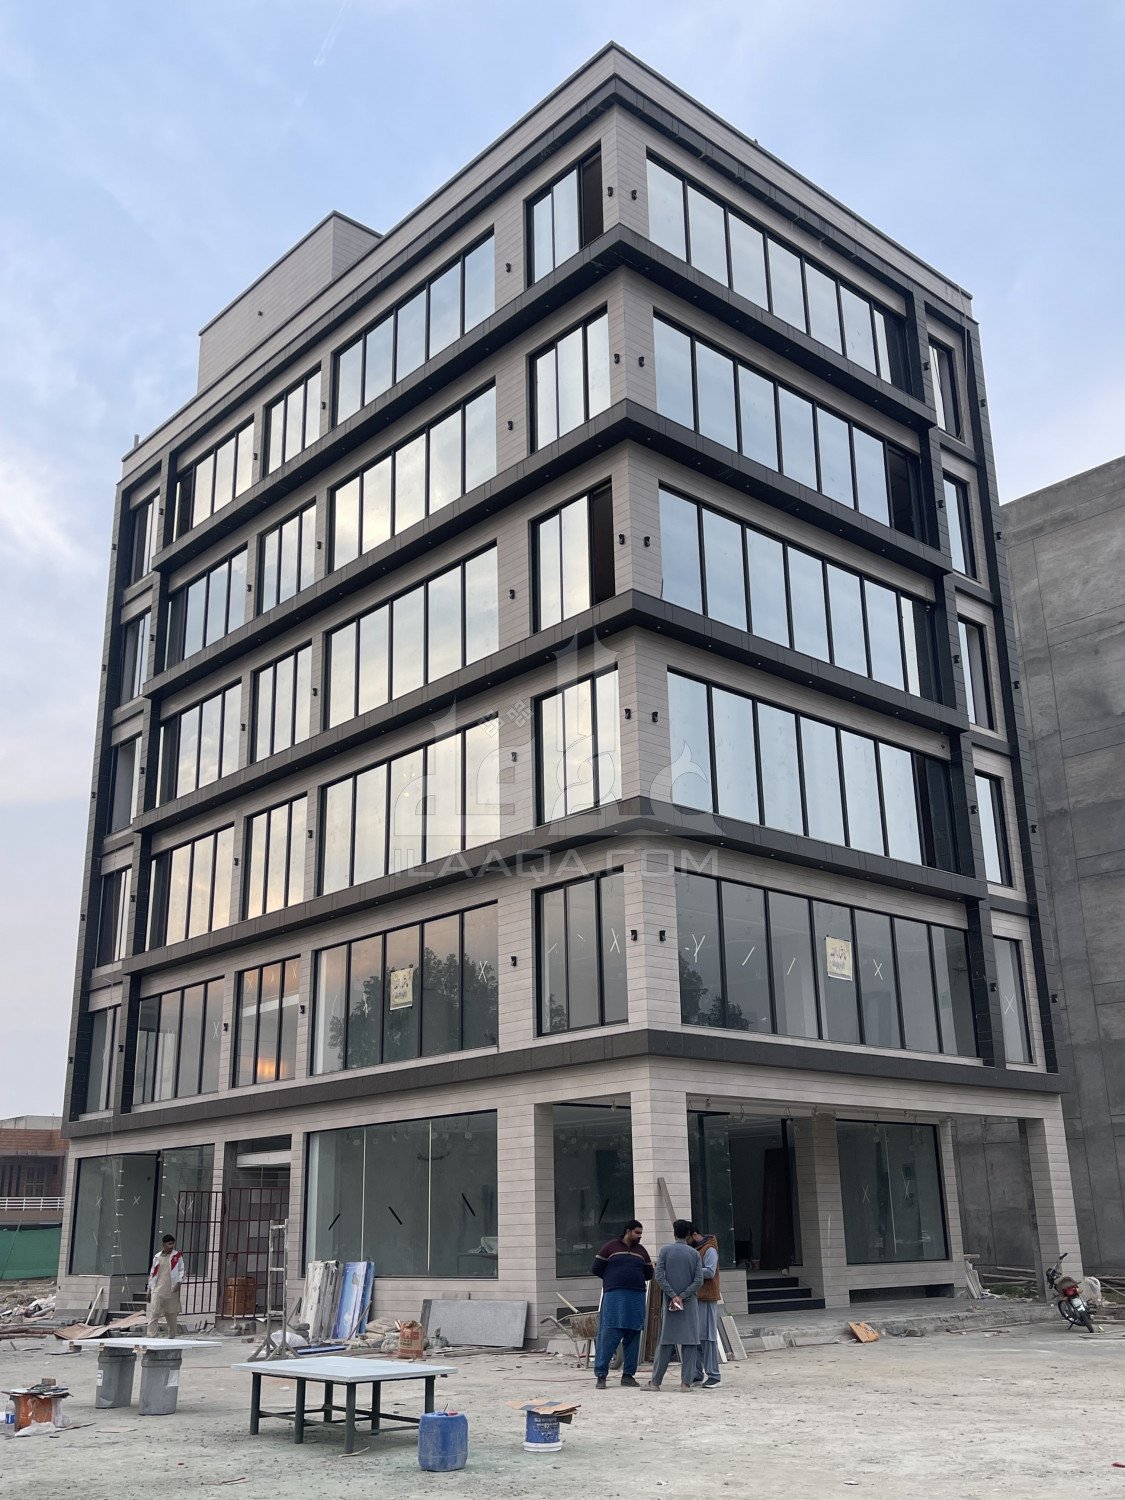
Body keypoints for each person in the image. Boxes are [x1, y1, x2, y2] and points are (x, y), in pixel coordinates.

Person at [591, 1219, 653, 1389]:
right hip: (614, 1297)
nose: (639, 1236)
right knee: (608, 1336)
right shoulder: (610, 1247)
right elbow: (596, 1268)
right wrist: (613, 1279)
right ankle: (601, 1376)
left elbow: (649, 1273)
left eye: (641, 1233)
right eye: (637, 1233)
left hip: (636, 1297)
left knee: (633, 1336)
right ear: (628, 1231)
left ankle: (628, 1375)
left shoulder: (642, 1251)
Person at [645, 1219, 704, 1391]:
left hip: (670, 1304)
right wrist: (683, 1296)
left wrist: (673, 1296)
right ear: (688, 1234)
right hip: (689, 1304)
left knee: (665, 1342)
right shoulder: (694, 1254)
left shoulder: (665, 1251)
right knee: (690, 1343)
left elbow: (659, 1276)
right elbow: (698, 1280)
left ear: (674, 1232)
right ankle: (686, 1383)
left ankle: (655, 1383)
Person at [690, 1228, 722, 1387]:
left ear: (695, 1235)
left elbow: (710, 1271)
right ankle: (697, 1374)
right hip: (697, 1297)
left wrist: (690, 1270)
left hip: (707, 1297)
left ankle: (714, 1375)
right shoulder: (698, 1249)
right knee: (696, 1338)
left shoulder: (709, 1249)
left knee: (708, 1338)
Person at [147, 1233, 185, 1338]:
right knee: (154, 1313)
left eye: (172, 1244)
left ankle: (172, 1337)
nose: (171, 1246)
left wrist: (179, 1282)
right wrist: (149, 1290)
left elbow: (181, 1271)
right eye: (169, 1244)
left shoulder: (177, 1256)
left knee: (171, 1315)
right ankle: (151, 1336)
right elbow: (152, 1273)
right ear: (164, 1244)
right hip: (158, 1289)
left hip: (171, 1290)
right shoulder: (157, 1257)